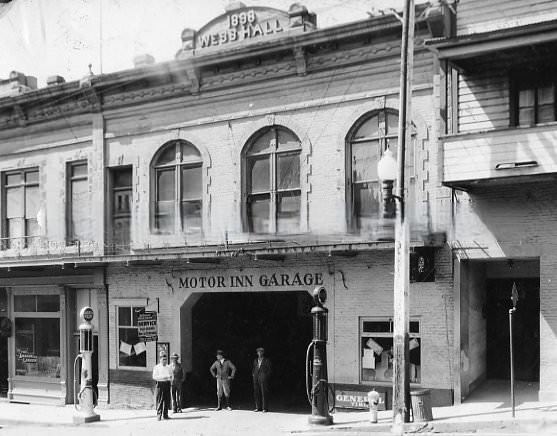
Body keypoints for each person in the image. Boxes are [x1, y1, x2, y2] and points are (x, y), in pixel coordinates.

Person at [152, 352, 172, 420]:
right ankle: (159, 415)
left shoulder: (168, 367)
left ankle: (165, 415)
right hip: (160, 385)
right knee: (160, 400)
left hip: (167, 384)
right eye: (163, 359)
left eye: (165, 359)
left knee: (167, 400)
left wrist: (169, 378)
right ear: (160, 359)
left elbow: (171, 376)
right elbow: (154, 377)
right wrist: (163, 377)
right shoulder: (157, 367)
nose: (164, 361)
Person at [252, 347, 271, 412]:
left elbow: (269, 370)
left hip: (263, 379)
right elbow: (254, 368)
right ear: (257, 353)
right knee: (256, 393)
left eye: (261, 352)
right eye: (258, 352)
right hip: (256, 378)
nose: (259, 353)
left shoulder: (266, 360)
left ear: (263, 353)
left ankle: (264, 408)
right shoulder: (255, 360)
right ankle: (258, 407)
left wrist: (266, 377)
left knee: (264, 393)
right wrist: (253, 375)